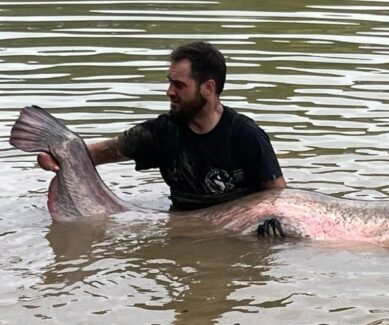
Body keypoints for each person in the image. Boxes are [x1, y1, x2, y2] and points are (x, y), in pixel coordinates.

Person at [37, 41, 286, 210]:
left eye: (179, 85)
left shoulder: (246, 136)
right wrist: (57, 155)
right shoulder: (162, 133)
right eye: (169, 83)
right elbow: (100, 152)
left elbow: (280, 198)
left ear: (208, 88)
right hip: (181, 227)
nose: (169, 92)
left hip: (237, 233)